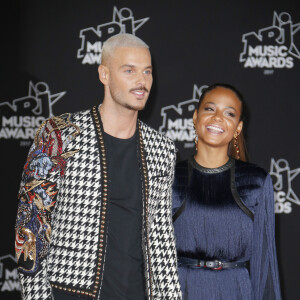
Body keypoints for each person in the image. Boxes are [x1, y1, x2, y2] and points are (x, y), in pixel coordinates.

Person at [15, 33, 182, 300]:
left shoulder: (162, 148)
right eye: (129, 70)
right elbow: (31, 225)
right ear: (104, 74)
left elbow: (162, 237)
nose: (142, 82)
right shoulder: (59, 134)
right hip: (71, 293)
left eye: (147, 72)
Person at [172, 83, 281, 299]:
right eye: (210, 109)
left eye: (229, 113)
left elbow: (265, 266)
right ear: (195, 117)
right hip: (180, 290)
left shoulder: (256, 181)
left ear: (238, 128)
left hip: (235, 290)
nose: (218, 117)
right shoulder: (169, 178)